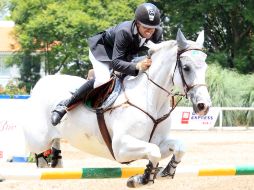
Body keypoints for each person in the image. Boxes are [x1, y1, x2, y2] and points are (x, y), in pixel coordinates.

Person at [51, 2, 163, 126]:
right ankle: (65, 104)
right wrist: (137, 66)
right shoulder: (124, 31)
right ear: (137, 23)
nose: (149, 31)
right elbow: (116, 62)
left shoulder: (156, 33)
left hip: (125, 55)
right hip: (102, 52)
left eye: (152, 27)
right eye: (146, 27)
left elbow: (158, 55)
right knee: (102, 79)